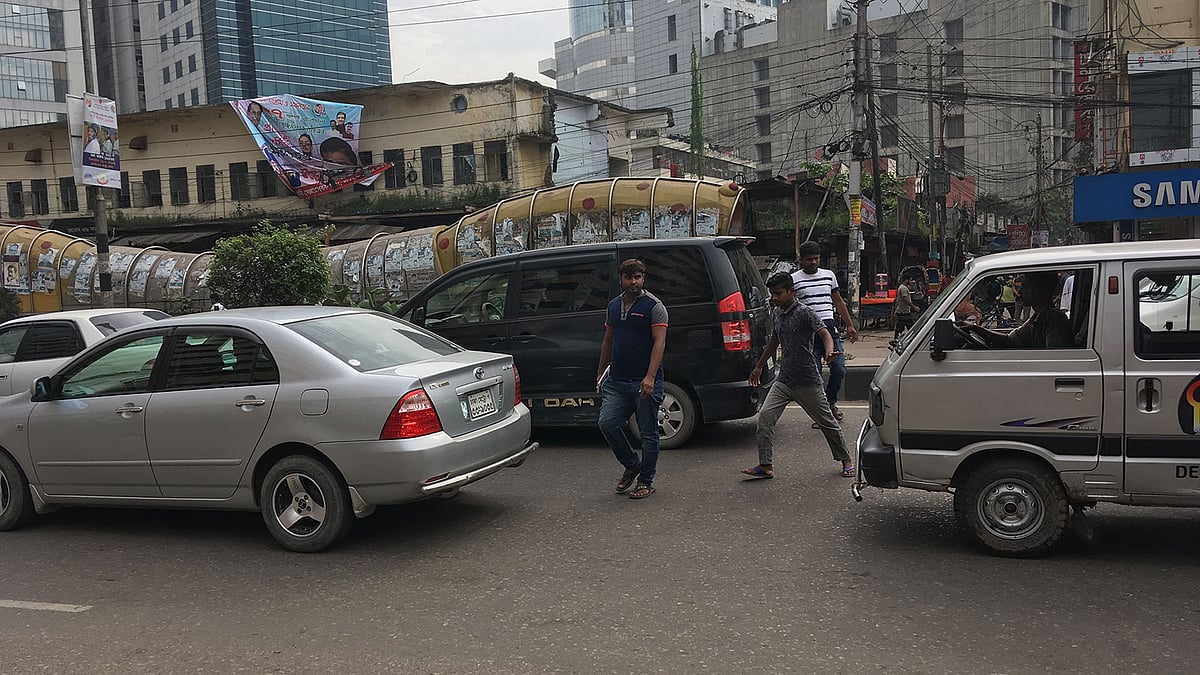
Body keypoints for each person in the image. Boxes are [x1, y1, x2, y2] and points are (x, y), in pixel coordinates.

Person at [741, 272, 855, 480]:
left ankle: (846, 460)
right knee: (765, 418)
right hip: (784, 379)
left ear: (791, 292)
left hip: (807, 380)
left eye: (778, 294)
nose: (774, 298)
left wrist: (829, 352)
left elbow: (824, 333)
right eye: (772, 294)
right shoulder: (777, 312)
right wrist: (758, 367)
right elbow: (774, 340)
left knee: (827, 422)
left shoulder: (804, 312)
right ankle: (765, 465)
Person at [596, 258, 668, 500]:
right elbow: (608, 340)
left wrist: (649, 377)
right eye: (629, 278)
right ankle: (632, 464)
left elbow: (659, 342)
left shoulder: (653, 306)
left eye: (638, 277)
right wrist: (601, 372)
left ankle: (646, 481)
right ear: (621, 279)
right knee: (608, 423)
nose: (633, 282)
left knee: (648, 433)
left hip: (644, 381)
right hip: (617, 380)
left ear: (643, 278)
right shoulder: (614, 306)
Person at [792, 240, 857, 423]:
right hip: (808, 335)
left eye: (816, 258)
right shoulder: (794, 279)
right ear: (801, 260)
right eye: (809, 259)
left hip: (830, 330)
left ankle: (830, 402)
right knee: (815, 376)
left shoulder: (829, 276)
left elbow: (838, 301)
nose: (813, 262)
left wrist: (850, 325)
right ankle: (821, 414)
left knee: (839, 370)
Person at [961, 271, 1074, 348]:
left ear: (1038, 289)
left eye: (1025, 286)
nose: (1020, 292)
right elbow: (1011, 340)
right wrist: (976, 329)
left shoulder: (1053, 320)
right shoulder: (1039, 317)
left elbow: (1056, 359)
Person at [893, 274, 919, 339]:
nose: (911, 282)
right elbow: (905, 299)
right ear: (906, 280)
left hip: (904, 311)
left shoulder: (903, 287)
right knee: (909, 328)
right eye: (910, 280)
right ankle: (914, 339)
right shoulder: (903, 288)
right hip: (903, 312)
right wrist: (914, 306)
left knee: (901, 328)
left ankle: (898, 339)